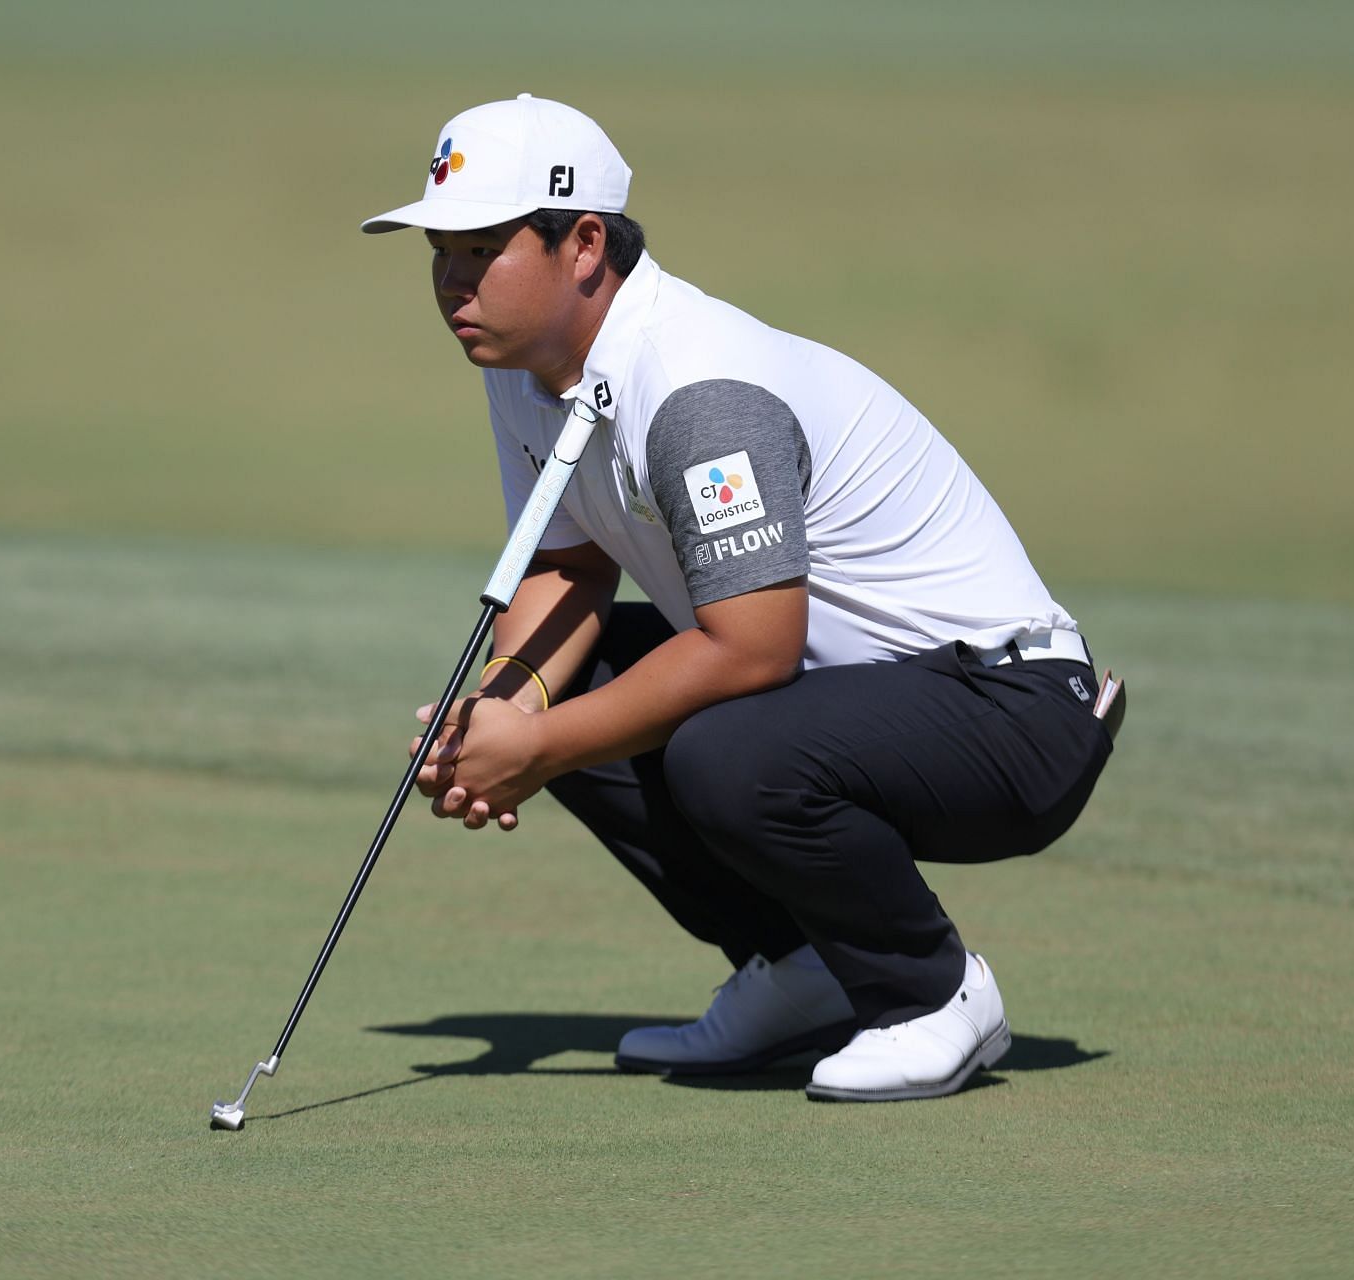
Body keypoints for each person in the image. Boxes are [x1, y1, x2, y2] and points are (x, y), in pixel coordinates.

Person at [360, 95, 1117, 1102]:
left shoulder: (697, 388)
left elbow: (753, 650)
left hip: (1011, 709)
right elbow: (571, 565)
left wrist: (539, 746)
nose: (453, 282)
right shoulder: (525, 366)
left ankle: (932, 996)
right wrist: (503, 713)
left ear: (584, 244)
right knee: (560, 682)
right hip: (855, 697)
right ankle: (799, 969)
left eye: (483, 248)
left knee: (718, 747)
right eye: (442, 253)